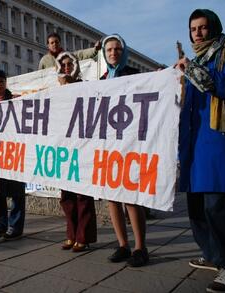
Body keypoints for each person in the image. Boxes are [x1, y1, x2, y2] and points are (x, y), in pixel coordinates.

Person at [175, 9, 225, 292]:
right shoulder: (196, 61)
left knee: (220, 208)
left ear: (214, 27)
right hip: (194, 145)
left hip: (218, 142)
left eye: (203, 28)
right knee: (198, 209)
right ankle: (214, 254)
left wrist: (190, 69)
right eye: (193, 28)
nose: (198, 33)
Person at [99, 34, 148, 267]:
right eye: (109, 50)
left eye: (117, 49)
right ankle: (122, 245)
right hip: (108, 146)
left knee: (131, 198)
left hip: (129, 145)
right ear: (104, 54)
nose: (113, 53)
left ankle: (140, 247)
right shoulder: (101, 80)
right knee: (112, 198)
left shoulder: (135, 76)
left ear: (123, 51)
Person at [55, 52, 97, 252]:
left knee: (82, 195)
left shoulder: (85, 86)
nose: (66, 67)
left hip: (82, 148)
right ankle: (71, 234)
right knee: (67, 196)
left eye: (69, 64)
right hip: (63, 149)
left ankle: (84, 236)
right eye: (62, 65)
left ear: (75, 66)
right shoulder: (55, 92)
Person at [0, 69, 26, 241]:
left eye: (2, 81)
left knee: (16, 192)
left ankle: (15, 227)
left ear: (6, 83)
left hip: (13, 153)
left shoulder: (17, 101)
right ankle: (0, 224)